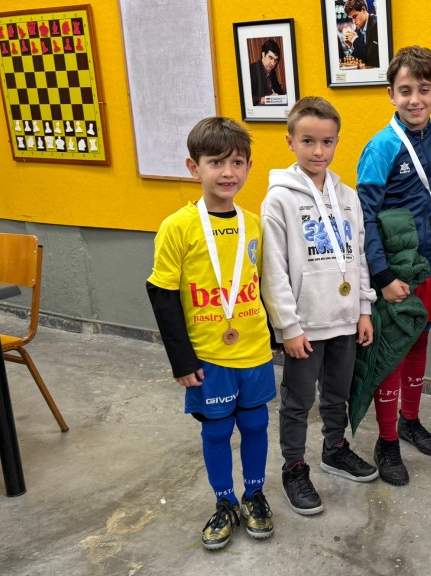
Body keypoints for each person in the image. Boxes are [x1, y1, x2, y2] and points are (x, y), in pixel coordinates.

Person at [146, 117, 276, 550]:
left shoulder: (253, 224)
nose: (227, 172)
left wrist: (275, 336)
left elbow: (263, 284)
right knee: (217, 432)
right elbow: (162, 294)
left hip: (254, 350)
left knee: (256, 423)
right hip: (208, 355)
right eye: (215, 162)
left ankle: (254, 494)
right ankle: (225, 501)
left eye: (237, 162)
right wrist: (182, 361)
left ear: (249, 167)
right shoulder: (177, 226)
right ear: (193, 167)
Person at [261, 96, 378, 515]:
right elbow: (273, 270)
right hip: (305, 326)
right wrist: (288, 327)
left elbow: (358, 254)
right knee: (297, 401)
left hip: (345, 318)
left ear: (337, 142)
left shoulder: (347, 197)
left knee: (337, 393)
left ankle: (335, 448)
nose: (318, 151)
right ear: (290, 141)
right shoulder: (279, 200)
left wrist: (364, 308)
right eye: (308, 141)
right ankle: (294, 467)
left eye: (327, 142)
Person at [355, 45, 431, 485]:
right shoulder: (381, 147)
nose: (415, 99)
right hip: (395, 273)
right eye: (405, 90)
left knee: (418, 345)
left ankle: (410, 420)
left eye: (423, 89)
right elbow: (365, 218)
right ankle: (387, 440)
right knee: (391, 354)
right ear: (391, 94)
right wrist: (383, 276)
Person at [342, 0, 379, 69]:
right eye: (351, 18)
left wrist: (355, 40)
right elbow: (359, 61)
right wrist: (351, 46)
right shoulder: (357, 30)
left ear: (363, 9)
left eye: (355, 16)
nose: (353, 21)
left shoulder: (377, 25)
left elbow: (371, 59)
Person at [249, 39, 286, 106]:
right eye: (270, 58)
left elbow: (279, 92)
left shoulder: (272, 71)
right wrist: (264, 99)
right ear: (263, 54)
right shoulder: (251, 70)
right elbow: (246, 98)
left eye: (275, 60)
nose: (273, 63)